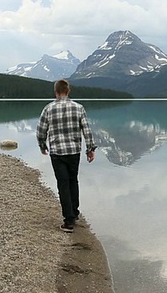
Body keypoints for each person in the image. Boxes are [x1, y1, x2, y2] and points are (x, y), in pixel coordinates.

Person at [37, 79, 97, 233]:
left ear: (55, 92)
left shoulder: (49, 108)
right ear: (68, 91)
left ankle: (68, 221)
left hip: (57, 152)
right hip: (74, 151)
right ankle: (74, 213)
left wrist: (42, 145)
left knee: (63, 184)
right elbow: (87, 130)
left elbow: (41, 129)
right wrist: (90, 149)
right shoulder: (78, 108)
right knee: (73, 181)